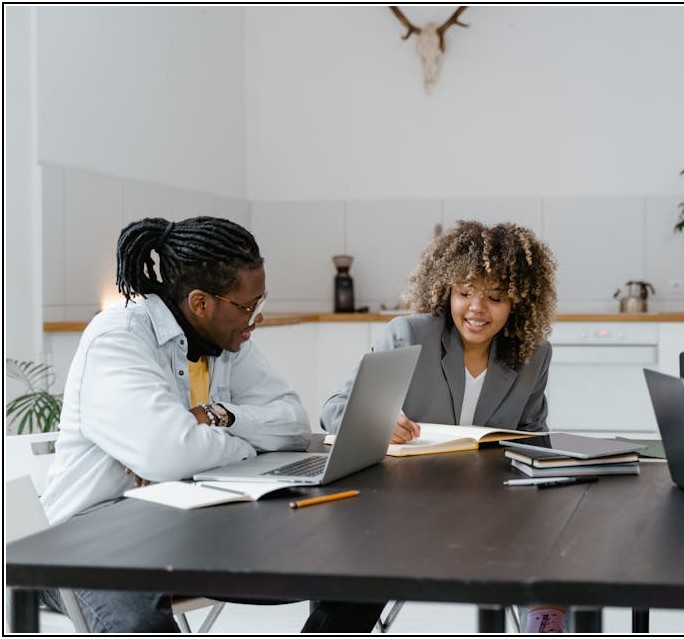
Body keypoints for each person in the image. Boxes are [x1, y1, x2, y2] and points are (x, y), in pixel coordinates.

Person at [39, 216, 378, 633]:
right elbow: (170, 453)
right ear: (201, 302)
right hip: (90, 538)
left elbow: (292, 422)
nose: (257, 318)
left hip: (191, 518)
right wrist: (239, 445)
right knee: (138, 616)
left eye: (260, 302)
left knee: (360, 562)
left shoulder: (228, 339)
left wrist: (218, 417)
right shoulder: (119, 337)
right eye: (249, 306)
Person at [320, 220, 563, 632]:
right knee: (350, 576)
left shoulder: (533, 354)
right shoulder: (410, 334)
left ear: (518, 301)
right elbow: (334, 409)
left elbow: (534, 438)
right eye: (465, 293)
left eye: (495, 297)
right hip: (404, 507)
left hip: (494, 511)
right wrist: (379, 422)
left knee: (557, 542)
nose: (476, 309)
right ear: (446, 290)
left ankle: (545, 623)